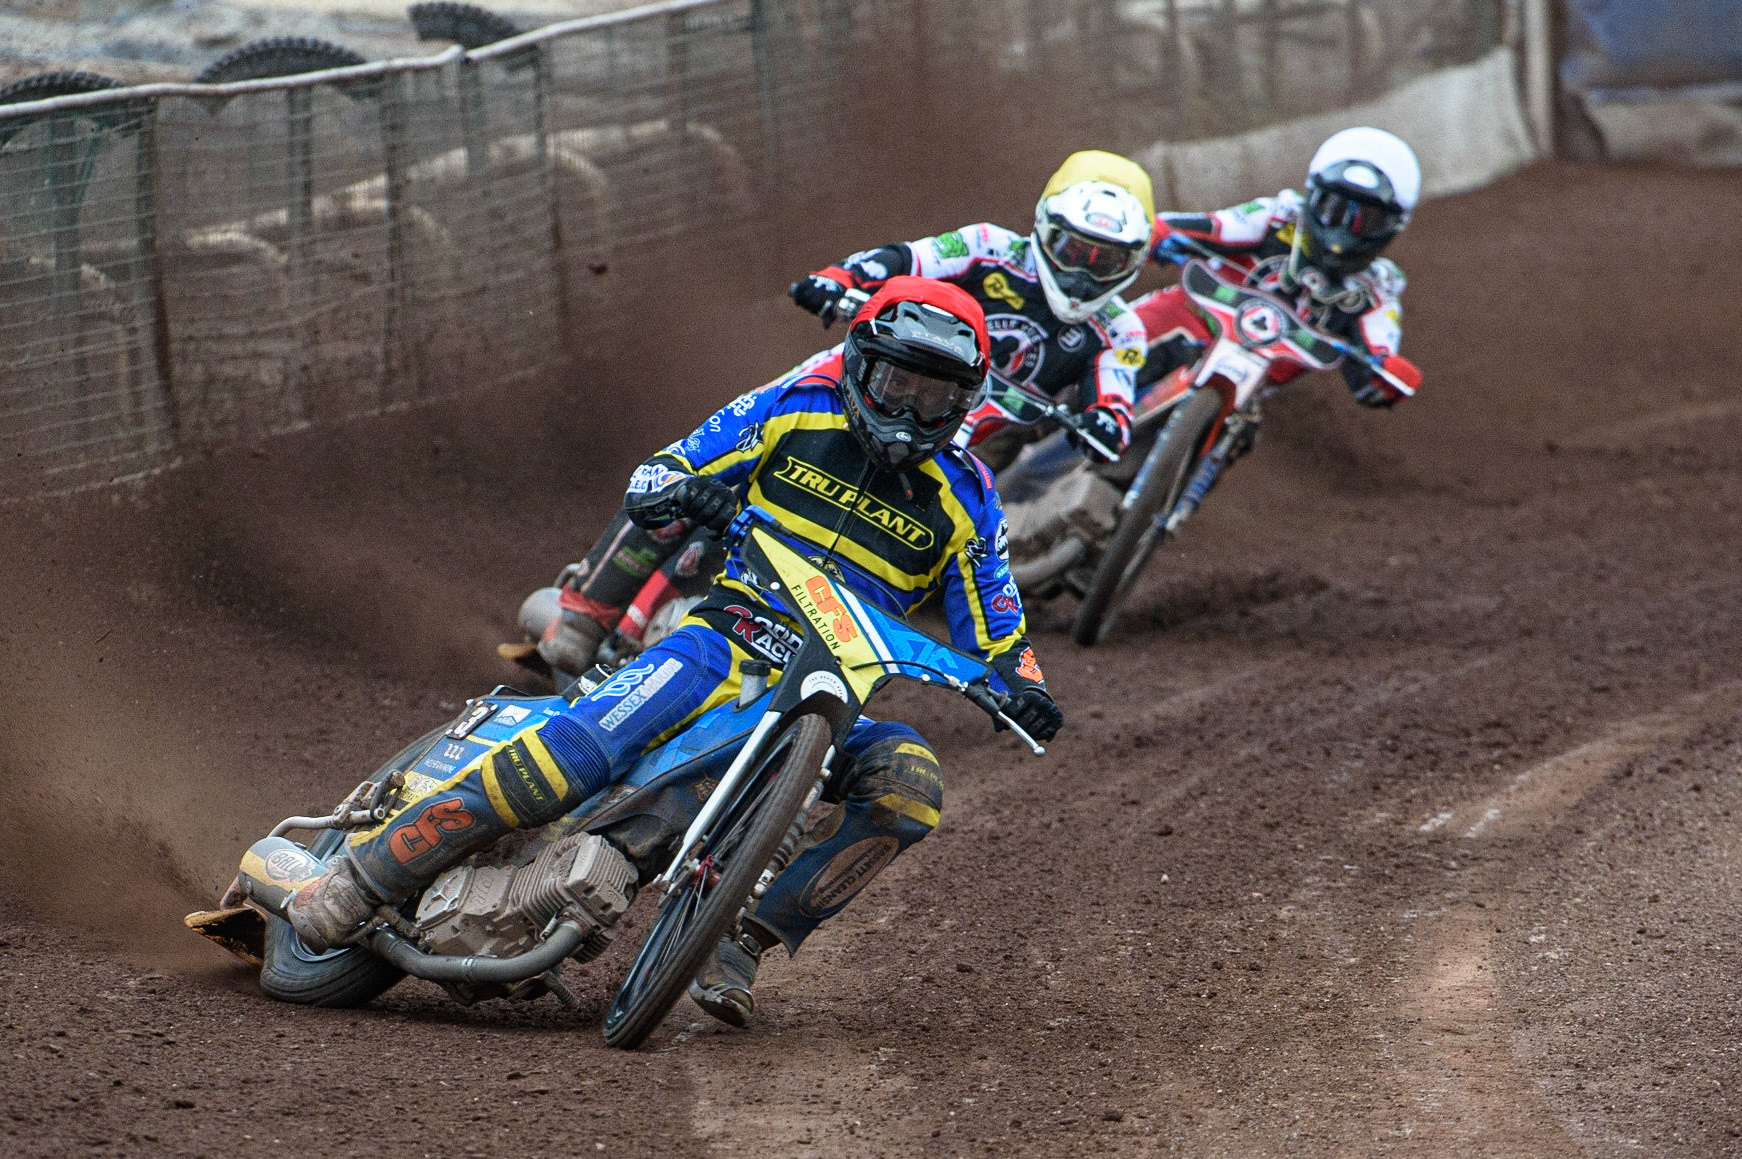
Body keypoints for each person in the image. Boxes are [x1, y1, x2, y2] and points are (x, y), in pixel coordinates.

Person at [286, 277, 1064, 1028]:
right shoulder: (796, 408)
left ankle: (741, 938)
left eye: (934, 396)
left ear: (965, 402)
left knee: (912, 786)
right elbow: (667, 464)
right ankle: (365, 875)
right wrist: (677, 490)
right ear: (862, 365)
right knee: (577, 753)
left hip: (832, 697)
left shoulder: (968, 495)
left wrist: (1022, 685)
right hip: (722, 643)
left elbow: (1001, 623)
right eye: (897, 384)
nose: (909, 410)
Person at [539, 150, 1156, 676]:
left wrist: (1107, 420)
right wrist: (840, 278)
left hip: (957, 441)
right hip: (854, 383)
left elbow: (1116, 394)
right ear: (1044, 228)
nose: (1083, 271)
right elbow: (906, 259)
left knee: (922, 541)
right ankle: (588, 604)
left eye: (1105, 259)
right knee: (718, 455)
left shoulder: (1120, 328)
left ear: (1134, 260)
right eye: (1074, 249)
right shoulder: (987, 246)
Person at [1135, 126, 1424, 407]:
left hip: (1246, 389)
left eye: (1367, 221)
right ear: (1312, 195)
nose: (1343, 232)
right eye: (1332, 209)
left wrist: (1388, 375)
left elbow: (1380, 358)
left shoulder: (1377, 289)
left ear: (1391, 227)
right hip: (1191, 319)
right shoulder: (1277, 218)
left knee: (1244, 430)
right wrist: (1157, 233)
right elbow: (1215, 226)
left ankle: (1201, 451)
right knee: (1118, 338)